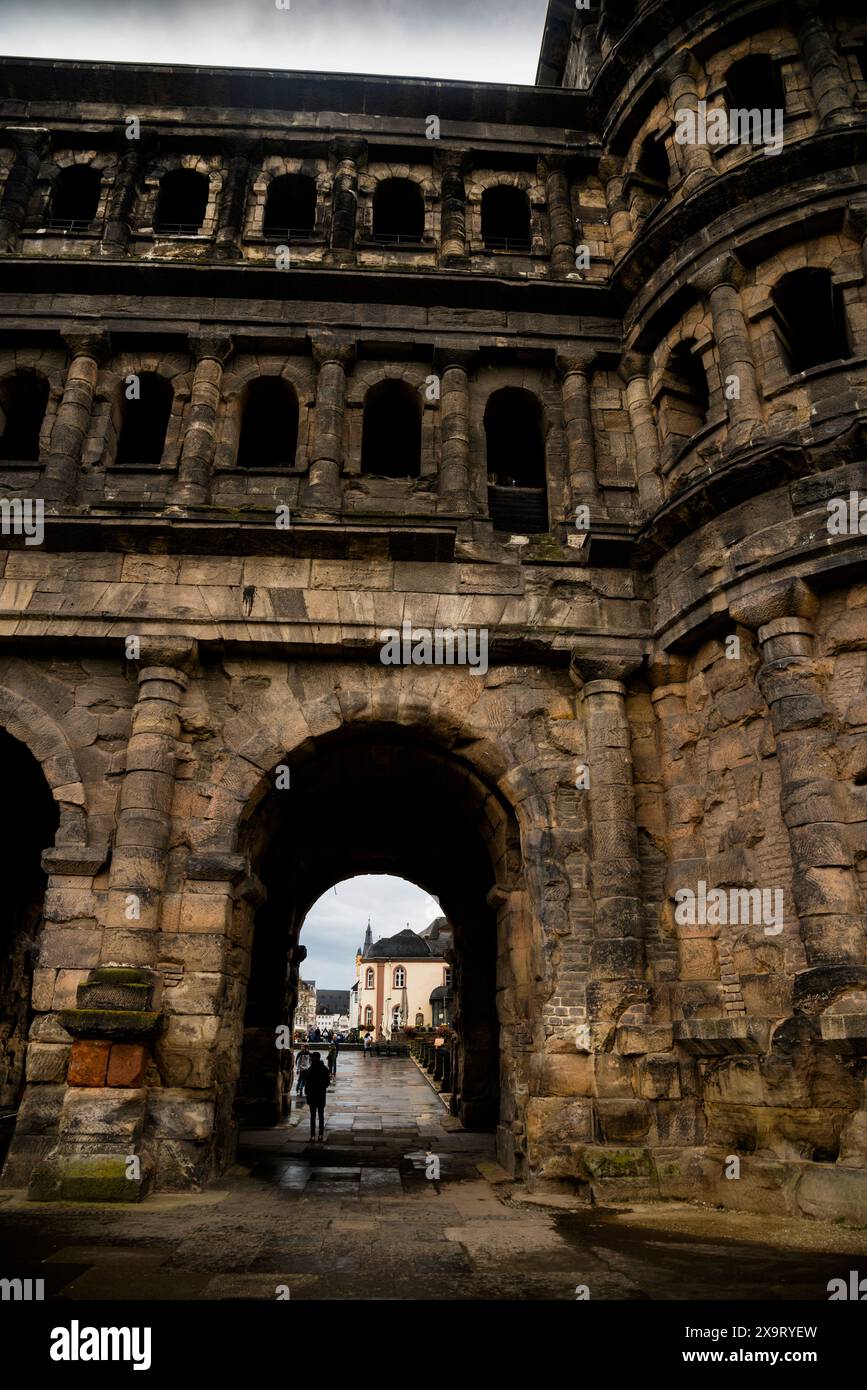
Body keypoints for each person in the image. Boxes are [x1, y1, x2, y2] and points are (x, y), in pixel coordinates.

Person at [304, 1051, 330, 1142]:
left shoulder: (310, 1070)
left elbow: (307, 1084)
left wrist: (308, 1092)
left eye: (312, 1058)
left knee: (313, 1116)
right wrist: (321, 1087)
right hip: (320, 1095)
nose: (311, 1059)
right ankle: (320, 1135)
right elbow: (327, 1083)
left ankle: (313, 1135)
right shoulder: (324, 1069)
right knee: (320, 1115)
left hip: (313, 1095)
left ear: (315, 1058)